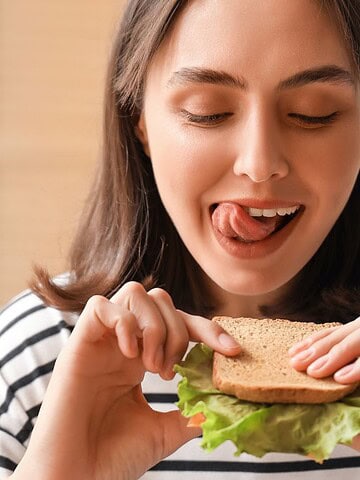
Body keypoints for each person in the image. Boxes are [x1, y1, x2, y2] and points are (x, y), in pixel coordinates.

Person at [1, 0, 360, 478]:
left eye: (313, 114)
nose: (258, 163)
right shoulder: (35, 356)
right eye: (206, 112)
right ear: (140, 121)